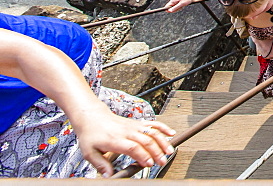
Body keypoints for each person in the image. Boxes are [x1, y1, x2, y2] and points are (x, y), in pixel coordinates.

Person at [0, 13, 176, 178]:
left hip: (53, 69)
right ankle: (122, 116)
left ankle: (131, 144)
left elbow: (23, 56)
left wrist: (90, 116)